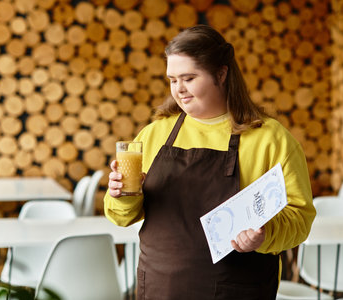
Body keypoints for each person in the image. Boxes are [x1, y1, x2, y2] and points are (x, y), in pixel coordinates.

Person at [104, 24, 316, 300]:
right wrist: (121, 194)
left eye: (189, 78)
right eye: (172, 80)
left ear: (221, 73)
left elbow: (300, 219)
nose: (179, 89)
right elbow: (122, 217)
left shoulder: (271, 139)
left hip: (237, 291)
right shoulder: (154, 133)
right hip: (160, 288)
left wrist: (265, 236)